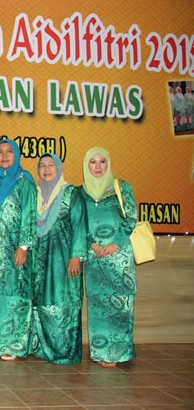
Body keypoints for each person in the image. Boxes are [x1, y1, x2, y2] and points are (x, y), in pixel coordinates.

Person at [80, 146, 137, 368]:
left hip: (119, 257)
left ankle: (119, 352)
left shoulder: (121, 187)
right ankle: (102, 352)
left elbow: (131, 217)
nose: (97, 166)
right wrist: (92, 244)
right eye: (92, 162)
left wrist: (115, 243)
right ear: (86, 165)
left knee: (121, 304)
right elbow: (78, 223)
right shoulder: (81, 193)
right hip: (95, 259)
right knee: (99, 305)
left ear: (108, 164)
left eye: (102, 161)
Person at [0, 138, 37, 361]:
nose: (4, 156)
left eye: (9, 152)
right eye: (0, 152)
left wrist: (23, 246)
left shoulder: (24, 182)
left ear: (17, 156)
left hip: (14, 249)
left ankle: (13, 344)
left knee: (14, 294)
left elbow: (29, 215)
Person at [29, 153, 87, 365]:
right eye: (42, 166)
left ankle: (64, 352)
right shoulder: (35, 195)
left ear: (59, 168)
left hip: (63, 259)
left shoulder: (71, 193)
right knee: (42, 301)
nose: (46, 169)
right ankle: (42, 349)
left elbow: (80, 223)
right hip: (39, 260)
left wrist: (76, 256)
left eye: (51, 165)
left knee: (63, 302)